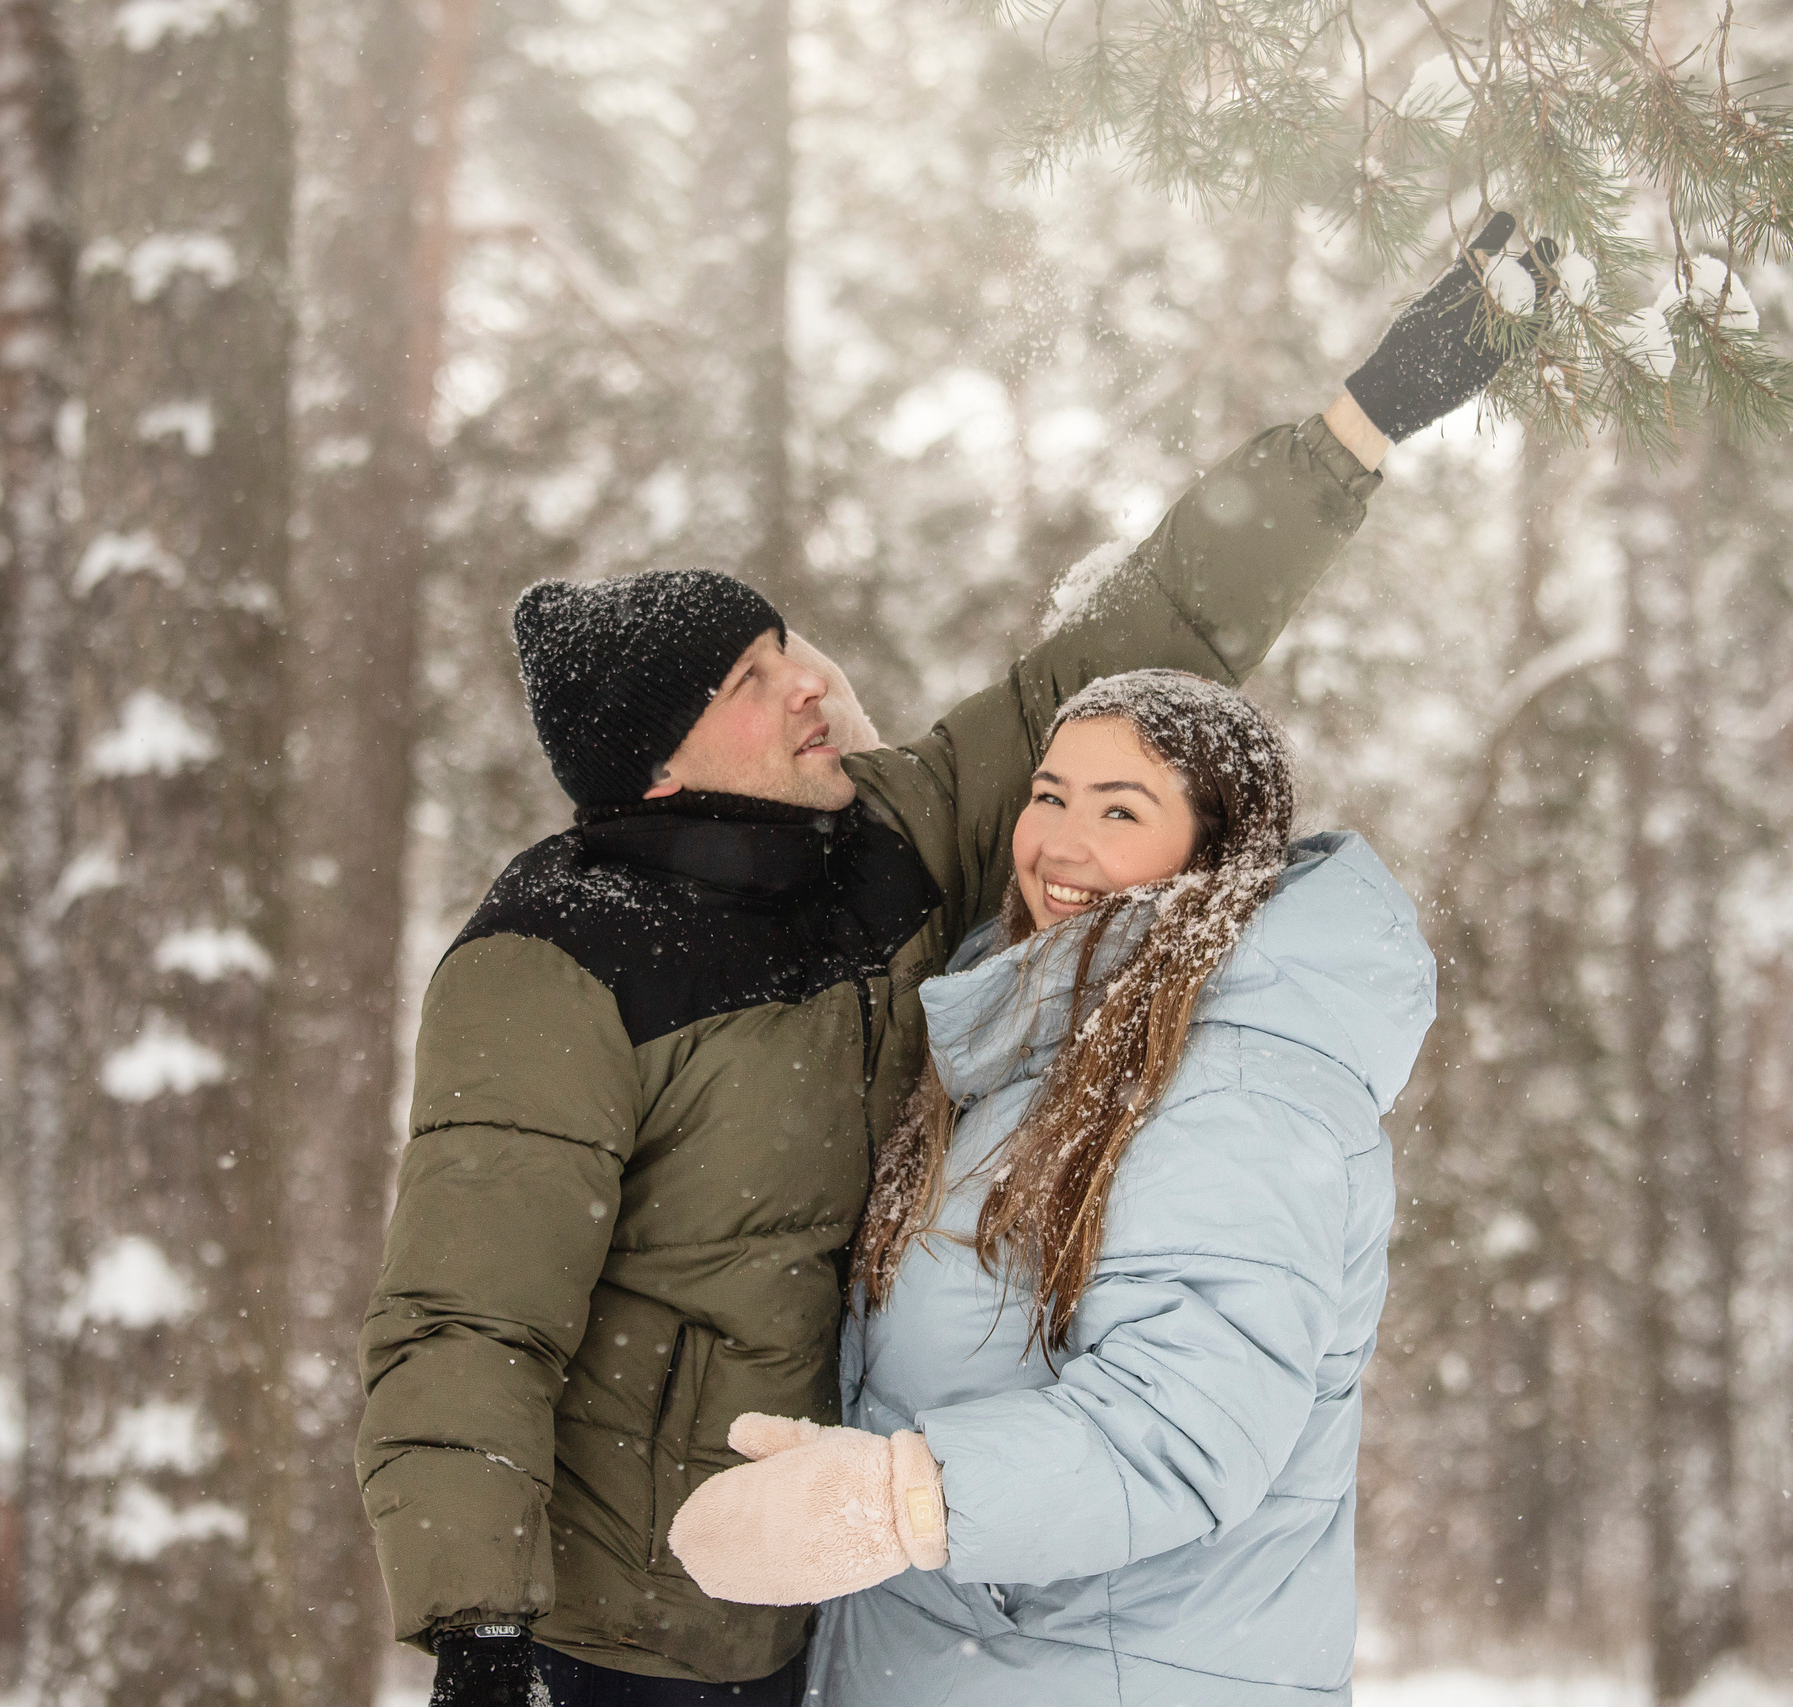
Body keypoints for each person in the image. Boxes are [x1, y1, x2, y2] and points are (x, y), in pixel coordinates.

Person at [357, 211, 1547, 1707]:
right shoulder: (555, 961)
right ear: (656, 768)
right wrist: (477, 1625)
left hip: (839, 1594)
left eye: (786, 647)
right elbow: (466, 1313)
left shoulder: (886, 842)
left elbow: (1133, 644)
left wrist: (1362, 423)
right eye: (749, 679)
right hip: (623, 1626)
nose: (807, 686)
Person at [665, 670, 1433, 1705]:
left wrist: (899, 1499)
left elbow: (1184, 1429)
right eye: (1049, 794)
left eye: (1121, 808)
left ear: (1215, 849)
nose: (1059, 842)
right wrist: (860, 1463)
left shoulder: (1237, 1086)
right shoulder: (1047, 1043)